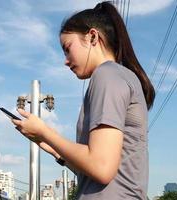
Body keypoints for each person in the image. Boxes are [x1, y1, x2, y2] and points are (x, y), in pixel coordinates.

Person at [12, 1, 155, 199]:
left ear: (92, 37)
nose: (66, 60)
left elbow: (101, 167)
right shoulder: (118, 76)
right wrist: (51, 147)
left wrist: (45, 131)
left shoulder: (107, 75)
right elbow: (98, 172)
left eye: (68, 48)